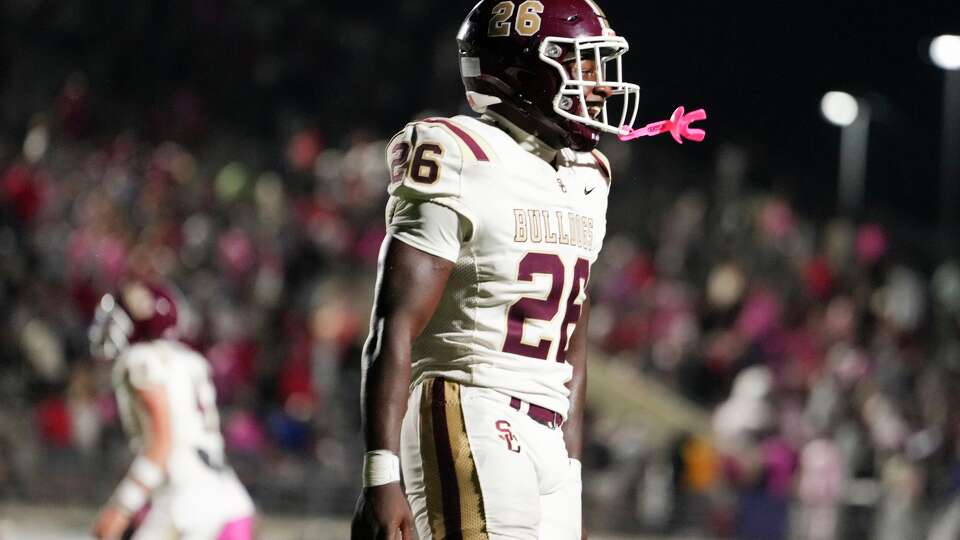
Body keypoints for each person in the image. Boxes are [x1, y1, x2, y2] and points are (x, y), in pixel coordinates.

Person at [351, 0, 641, 538]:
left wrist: (571, 473)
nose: (600, 85)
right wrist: (380, 474)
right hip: (471, 406)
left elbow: (572, 342)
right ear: (523, 72)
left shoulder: (587, 175)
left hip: (548, 431)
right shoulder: (456, 154)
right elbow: (394, 324)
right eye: (581, 64)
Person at [88, 281, 256, 540]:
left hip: (187, 507)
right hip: (231, 503)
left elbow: (162, 442)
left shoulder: (141, 360)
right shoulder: (190, 361)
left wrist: (122, 506)